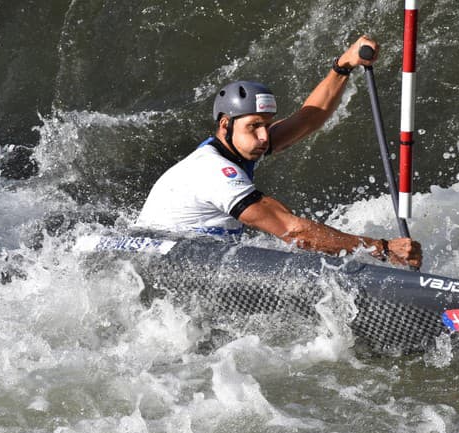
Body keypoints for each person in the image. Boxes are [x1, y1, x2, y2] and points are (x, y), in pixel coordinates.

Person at [135, 36, 422, 269]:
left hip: (190, 258)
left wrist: (343, 66)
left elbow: (309, 119)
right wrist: (381, 248)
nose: (264, 137)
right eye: (254, 126)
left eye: (268, 126)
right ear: (225, 124)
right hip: (156, 265)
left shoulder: (237, 146)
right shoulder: (214, 171)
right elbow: (293, 231)